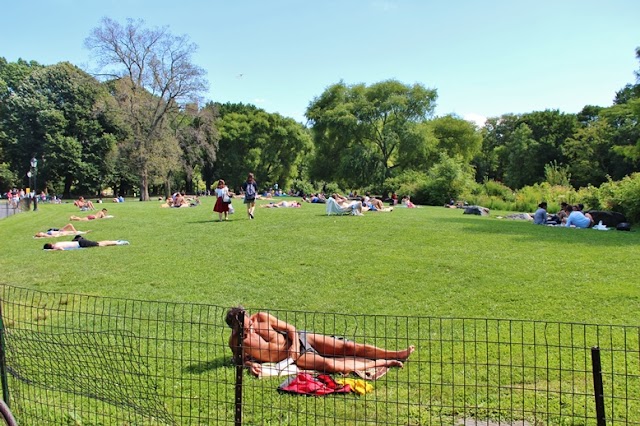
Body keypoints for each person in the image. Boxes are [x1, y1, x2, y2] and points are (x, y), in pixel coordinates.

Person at [225, 307, 415, 376]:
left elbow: (291, 328)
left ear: (249, 316)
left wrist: (295, 345)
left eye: (249, 324)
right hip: (294, 359)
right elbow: (239, 360)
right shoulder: (235, 341)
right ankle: (385, 362)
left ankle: (395, 353)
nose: (249, 329)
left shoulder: (262, 318)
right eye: (244, 330)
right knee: (330, 365)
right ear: (235, 328)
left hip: (299, 340)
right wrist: (250, 365)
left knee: (348, 347)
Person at [43, 236, 129, 250]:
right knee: (99, 243)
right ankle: (116, 242)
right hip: (78, 241)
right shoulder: (57, 242)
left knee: (100, 244)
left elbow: (61, 249)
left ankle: (117, 243)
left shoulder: (57, 246)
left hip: (80, 243)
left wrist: (52, 250)